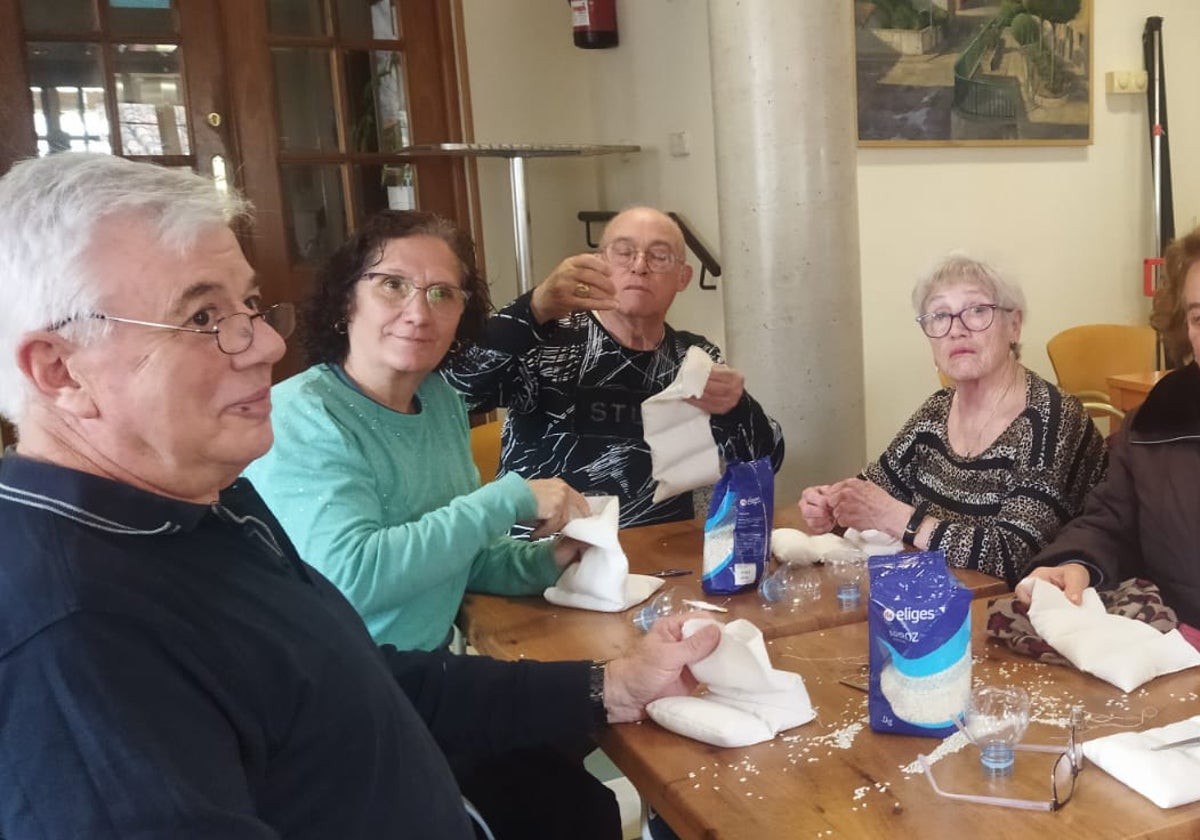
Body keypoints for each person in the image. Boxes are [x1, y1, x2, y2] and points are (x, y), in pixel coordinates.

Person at [0, 152, 722, 839]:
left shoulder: (208, 508)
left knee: (579, 803)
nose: (263, 346)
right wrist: (506, 500)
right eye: (201, 318)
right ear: (61, 371)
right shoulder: (75, 637)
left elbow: (358, 670)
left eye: (248, 304)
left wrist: (613, 686)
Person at [244, 210, 591, 652]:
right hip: (336, 684)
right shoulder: (302, 415)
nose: (419, 313)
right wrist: (508, 499)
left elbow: (457, 556)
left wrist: (546, 562)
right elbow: (349, 579)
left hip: (427, 670)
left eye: (443, 293)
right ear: (346, 300)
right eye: (393, 285)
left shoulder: (441, 400)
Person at [442, 206, 785, 529]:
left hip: (660, 553)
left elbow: (765, 460)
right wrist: (533, 308)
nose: (640, 266)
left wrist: (736, 407)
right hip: (541, 552)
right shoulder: (547, 339)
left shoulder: (692, 357)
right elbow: (456, 392)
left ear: (683, 277)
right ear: (599, 263)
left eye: (659, 255)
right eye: (624, 252)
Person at [798, 254, 1105, 586]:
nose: (956, 330)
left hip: (1025, 613)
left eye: (977, 311)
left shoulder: (1051, 420)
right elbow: (873, 490)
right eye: (940, 315)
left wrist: (899, 519)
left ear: (1014, 325)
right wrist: (832, 505)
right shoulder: (936, 411)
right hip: (940, 599)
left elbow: (1016, 556)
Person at [1019, 226, 1200, 621]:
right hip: (1177, 653)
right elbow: (1111, 523)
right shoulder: (1158, 421)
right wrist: (1075, 564)